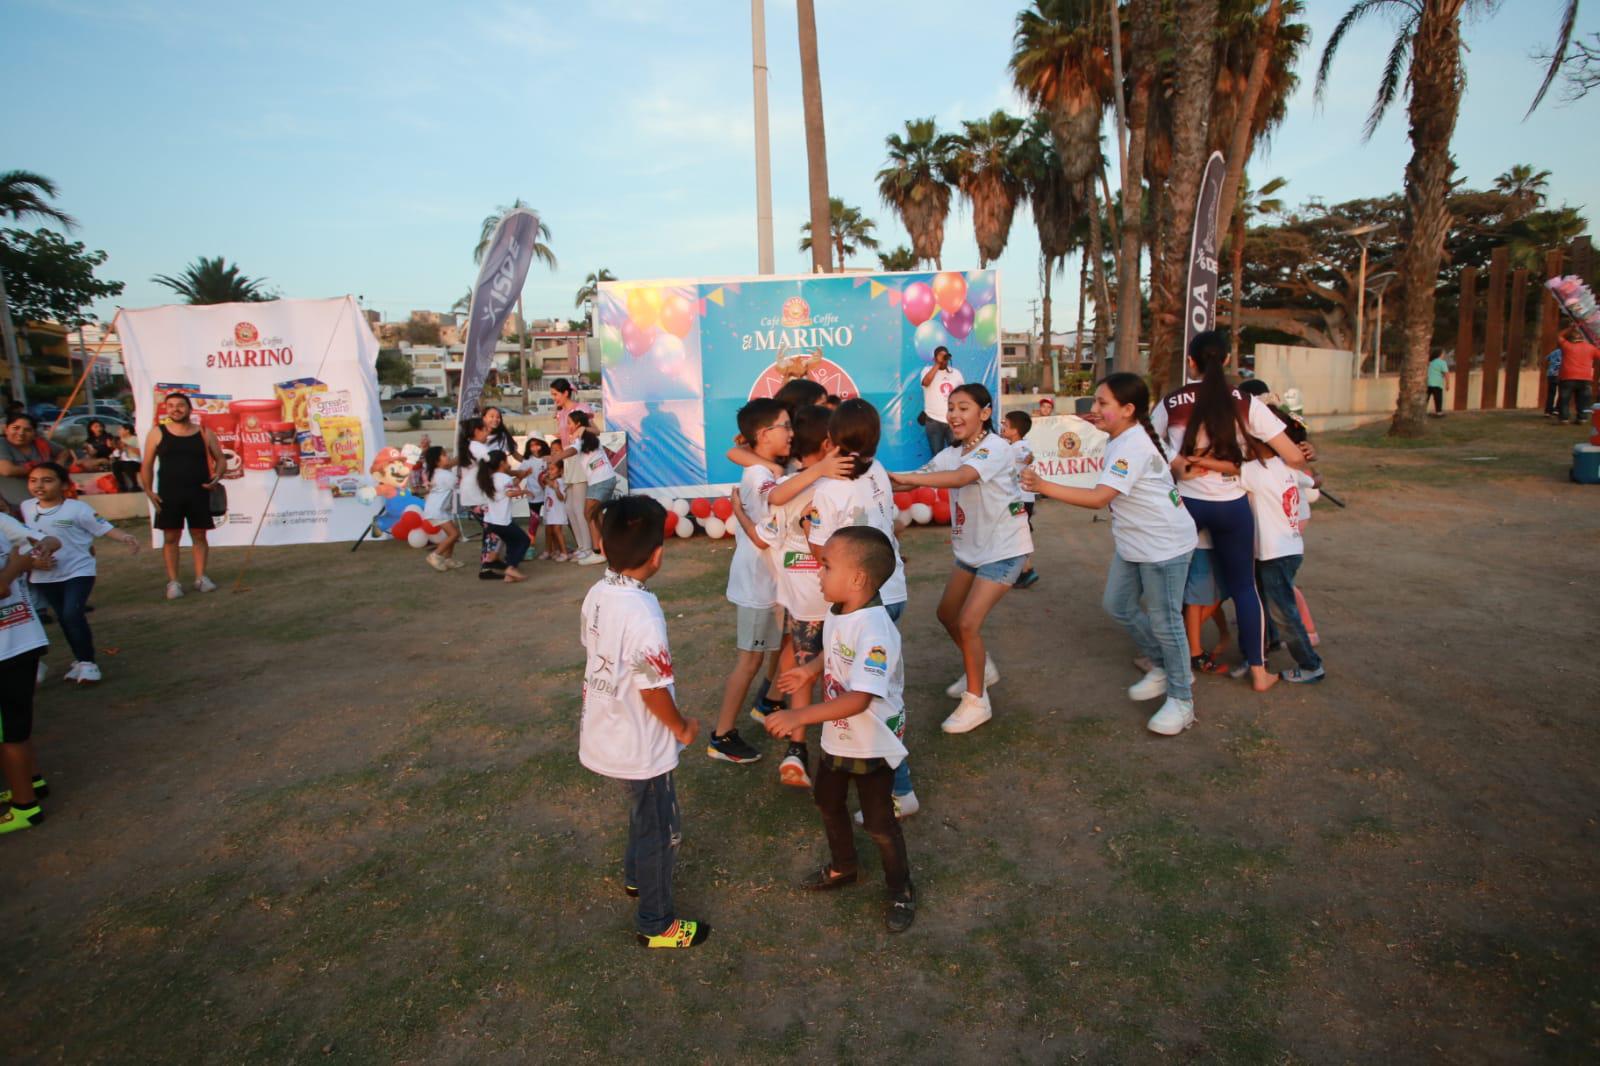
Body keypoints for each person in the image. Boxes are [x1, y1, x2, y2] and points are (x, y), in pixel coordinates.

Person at [1023, 373, 1199, 735]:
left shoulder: (1132, 445)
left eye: (1103, 403)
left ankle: (1182, 699)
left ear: (1129, 409)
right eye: (1095, 402)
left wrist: (1043, 486)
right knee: (1117, 605)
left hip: (1163, 546)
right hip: (1136, 543)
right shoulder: (1121, 438)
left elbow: (1100, 497)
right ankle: (1164, 665)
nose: (1095, 408)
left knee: (1167, 622)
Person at [761, 526, 915, 933]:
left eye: (826, 566)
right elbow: (834, 650)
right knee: (828, 801)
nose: (818, 572)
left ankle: (900, 889)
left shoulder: (876, 631)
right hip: (837, 735)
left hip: (870, 740)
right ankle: (844, 867)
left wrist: (798, 717)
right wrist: (809, 671)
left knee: (880, 822)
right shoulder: (839, 611)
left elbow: (860, 698)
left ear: (859, 578)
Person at [578, 494, 708, 949]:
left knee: (642, 813)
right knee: (659, 829)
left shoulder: (598, 592)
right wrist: (682, 727)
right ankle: (656, 923)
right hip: (642, 743)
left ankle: (636, 877)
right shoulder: (644, 613)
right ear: (657, 555)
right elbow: (652, 689)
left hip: (609, 730)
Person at [1151, 331, 1306, 694]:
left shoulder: (1172, 401)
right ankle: (1258, 671)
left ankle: (1174, 664)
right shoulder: (1247, 402)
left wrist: (1180, 464)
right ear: (1226, 360)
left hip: (1186, 504)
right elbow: (1293, 455)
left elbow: (1148, 440)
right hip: (1231, 506)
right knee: (1244, 588)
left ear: (1190, 362)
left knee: (1173, 587)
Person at [891, 384, 1032, 735]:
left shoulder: (996, 449)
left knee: (968, 623)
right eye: (951, 407)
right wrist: (870, 478)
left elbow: (962, 478)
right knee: (947, 615)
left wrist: (909, 479)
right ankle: (982, 670)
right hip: (970, 550)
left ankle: (976, 701)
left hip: (1003, 550)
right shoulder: (953, 452)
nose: (954, 414)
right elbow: (919, 480)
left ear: (984, 413)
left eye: (964, 408)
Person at [805, 400, 917, 804]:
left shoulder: (827, 487)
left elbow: (820, 551)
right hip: (893, 588)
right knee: (879, 689)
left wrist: (807, 525)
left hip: (859, 600)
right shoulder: (880, 472)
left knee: (862, 696)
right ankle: (891, 784)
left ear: (830, 440)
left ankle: (898, 790)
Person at [707, 399, 787, 773]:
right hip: (758, 583)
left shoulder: (763, 469)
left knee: (777, 646)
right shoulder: (760, 478)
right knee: (750, 659)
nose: (791, 433)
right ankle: (722, 736)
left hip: (768, 581)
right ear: (764, 434)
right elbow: (761, 538)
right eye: (784, 426)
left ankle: (769, 702)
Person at [21, 462, 139, 683]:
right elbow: (21, 537)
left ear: (64, 484)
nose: (40, 486)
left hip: (78, 571)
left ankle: (88, 664)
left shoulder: (77, 509)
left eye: (48, 480)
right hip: (44, 575)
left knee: (72, 614)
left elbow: (102, 527)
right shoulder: (26, 507)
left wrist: (125, 537)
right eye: (33, 480)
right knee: (64, 618)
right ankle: (79, 660)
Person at [1239, 438, 1325, 684]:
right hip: (1290, 549)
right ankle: (1272, 641)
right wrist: (1309, 461)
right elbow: (1315, 481)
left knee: (1283, 612)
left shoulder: (1252, 471)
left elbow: (1227, 473)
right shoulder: (1287, 466)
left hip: (1273, 553)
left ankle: (1311, 664)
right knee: (1269, 600)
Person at [140, 392, 225, 600]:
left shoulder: (205, 433)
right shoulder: (157, 433)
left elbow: (221, 459)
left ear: (189, 409)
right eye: (170, 406)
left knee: (199, 535)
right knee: (170, 538)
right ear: (166, 409)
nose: (175, 409)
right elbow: (147, 465)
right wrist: (149, 491)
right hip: (169, 495)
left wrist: (217, 476)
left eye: (180, 405)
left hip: (199, 493)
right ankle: (173, 582)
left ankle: (201, 577)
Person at [0, 527, 51, 835]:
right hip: (22, 639)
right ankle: (33, 782)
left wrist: (19, 565)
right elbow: (43, 542)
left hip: (7, 649)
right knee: (17, 722)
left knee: (9, 733)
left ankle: (24, 807)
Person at [553, 410, 617, 566]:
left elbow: (572, 451)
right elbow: (595, 430)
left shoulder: (581, 439)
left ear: (578, 424)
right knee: (596, 515)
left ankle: (597, 552)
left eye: (569, 423)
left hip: (600, 481)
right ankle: (606, 549)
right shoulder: (587, 436)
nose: (567, 426)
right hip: (604, 480)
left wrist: (556, 457)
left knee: (588, 513)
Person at [548, 379, 595, 558]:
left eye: (555, 394)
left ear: (565, 393)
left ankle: (588, 548)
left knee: (578, 507)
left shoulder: (581, 408)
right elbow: (564, 437)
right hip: (567, 458)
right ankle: (582, 546)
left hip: (579, 456)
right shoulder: (561, 413)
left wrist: (580, 431)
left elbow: (595, 430)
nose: (554, 398)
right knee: (569, 508)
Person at [475, 449, 532, 583]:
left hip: (491, 521)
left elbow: (512, 485)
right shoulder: (503, 478)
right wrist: (525, 491)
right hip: (502, 521)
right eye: (506, 461)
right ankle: (511, 567)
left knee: (512, 542)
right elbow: (510, 492)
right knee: (524, 541)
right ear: (502, 463)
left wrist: (523, 476)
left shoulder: (490, 479)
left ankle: (509, 573)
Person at [1000, 410, 1040, 589]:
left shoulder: (1020, 447)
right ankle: (1024, 570)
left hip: (1020, 500)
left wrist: (1028, 458)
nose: (1002, 428)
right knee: (1017, 534)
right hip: (1019, 500)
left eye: (1006, 426)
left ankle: (1026, 571)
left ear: (1015, 431)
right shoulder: (1012, 445)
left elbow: (1026, 457)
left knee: (1017, 534)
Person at [0, 414, 73, 510]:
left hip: (48, 504)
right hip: (13, 506)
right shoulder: (2, 444)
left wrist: (58, 464)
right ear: (6, 429)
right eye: (15, 428)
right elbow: (7, 470)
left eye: (27, 430)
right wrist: (48, 470)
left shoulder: (40, 444)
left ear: (34, 433)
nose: (21, 433)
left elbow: (64, 451)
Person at [419, 446, 463, 571]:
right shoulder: (445, 475)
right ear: (437, 461)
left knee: (452, 533)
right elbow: (460, 485)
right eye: (444, 455)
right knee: (454, 534)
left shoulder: (439, 473)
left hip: (440, 509)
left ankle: (447, 559)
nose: (447, 456)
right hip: (437, 510)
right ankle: (435, 555)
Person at [919, 345, 964, 458]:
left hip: (953, 420)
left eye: (945, 356)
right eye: (940, 356)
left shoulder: (956, 373)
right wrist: (938, 364)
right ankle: (940, 475)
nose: (944, 358)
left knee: (956, 454)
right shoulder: (927, 371)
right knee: (937, 455)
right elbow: (926, 382)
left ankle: (954, 476)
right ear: (934, 358)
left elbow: (963, 394)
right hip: (934, 420)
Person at [1556, 326, 1597, 426]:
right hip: (1585, 377)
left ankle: (1564, 418)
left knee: (1564, 399)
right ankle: (1582, 418)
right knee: (1583, 399)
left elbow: (1559, 336)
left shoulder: (1566, 346)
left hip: (1567, 376)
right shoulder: (1591, 348)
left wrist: (1571, 327)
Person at [540, 461, 571, 561]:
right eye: (548, 469)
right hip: (550, 511)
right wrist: (544, 480)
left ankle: (564, 553)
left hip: (558, 512)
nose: (549, 471)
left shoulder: (560, 482)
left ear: (560, 471)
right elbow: (546, 488)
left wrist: (556, 489)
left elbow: (562, 497)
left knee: (557, 530)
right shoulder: (550, 481)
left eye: (552, 469)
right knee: (549, 531)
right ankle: (553, 550)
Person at [111, 426, 143, 493]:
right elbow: (118, 454)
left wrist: (127, 446)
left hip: (136, 461)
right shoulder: (120, 440)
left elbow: (141, 453)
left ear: (127, 430)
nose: (118, 431)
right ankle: (122, 485)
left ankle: (135, 485)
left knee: (128, 464)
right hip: (124, 460)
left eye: (121, 429)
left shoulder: (136, 439)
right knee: (115, 465)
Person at [1427, 352, 1449, 417]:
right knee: (1438, 398)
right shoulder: (1442, 362)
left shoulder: (1430, 362)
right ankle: (1438, 412)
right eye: (1443, 353)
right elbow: (1446, 374)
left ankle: (1422, 412)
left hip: (1428, 383)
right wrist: (1448, 384)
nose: (1444, 355)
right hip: (1437, 383)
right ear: (1440, 354)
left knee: (1426, 398)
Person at [1544, 345, 1563, 417]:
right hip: (1561, 374)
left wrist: (1549, 368)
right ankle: (1557, 409)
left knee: (1551, 394)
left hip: (1551, 374)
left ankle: (1548, 411)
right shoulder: (1567, 352)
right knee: (1562, 393)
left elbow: (1546, 359)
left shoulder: (1554, 352)